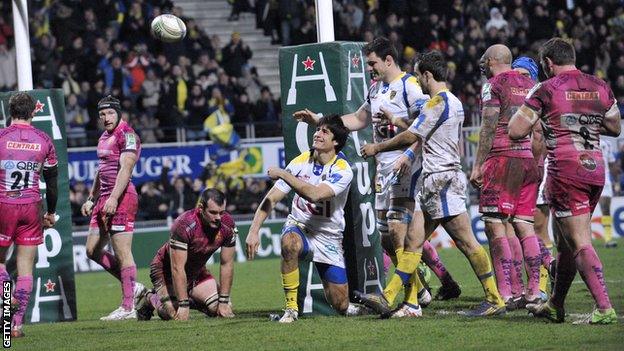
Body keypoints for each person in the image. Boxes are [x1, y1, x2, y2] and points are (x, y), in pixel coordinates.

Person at [294, 37, 460, 317]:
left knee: (398, 233)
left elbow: (424, 127)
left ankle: (411, 303)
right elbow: (358, 120)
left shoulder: (410, 86)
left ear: (388, 60)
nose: (369, 68)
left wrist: (409, 155)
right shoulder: (375, 89)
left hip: (408, 168)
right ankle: (419, 289)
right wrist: (321, 121)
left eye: (372, 63)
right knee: (386, 239)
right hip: (383, 169)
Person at [357, 51, 505, 318]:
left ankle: (494, 298)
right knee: (413, 243)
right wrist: (396, 120)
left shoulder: (438, 102)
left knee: (467, 243)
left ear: (427, 75)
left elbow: (412, 135)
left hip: (443, 180)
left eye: (418, 75)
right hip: (435, 182)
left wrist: (377, 146)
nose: (417, 80)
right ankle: (396, 299)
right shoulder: (449, 102)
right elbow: (421, 126)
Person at [509, 37, 620, 324]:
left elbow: (515, 130)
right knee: (565, 243)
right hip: (595, 169)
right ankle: (556, 304)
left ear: (547, 63)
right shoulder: (599, 85)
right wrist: (583, 120)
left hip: (566, 170)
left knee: (579, 241)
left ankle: (605, 309)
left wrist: (544, 119)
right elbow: (615, 126)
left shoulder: (545, 89)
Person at [245, 115, 357, 323]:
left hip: (329, 237)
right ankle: (291, 310)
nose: (317, 134)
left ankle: (350, 306)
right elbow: (272, 198)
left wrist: (282, 173)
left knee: (340, 304)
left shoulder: (343, 170)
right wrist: (253, 230)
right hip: (300, 226)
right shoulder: (300, 161)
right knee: (289, 243)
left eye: (325, 132)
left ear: (336, 142)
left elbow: (315, 194)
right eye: (318, 129)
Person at [469, 45, 543, 308]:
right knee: (524, 224)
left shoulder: (493, 84)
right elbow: (539, 132)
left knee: (494, 223)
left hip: (501, 158)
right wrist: (536, 162)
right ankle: (533, 291)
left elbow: (488, 126)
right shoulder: (532, 85)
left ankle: (505, 292)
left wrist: (478, 165)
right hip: (527, 161)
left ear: (491, 61)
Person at [0, 92, 58, 337]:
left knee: (1, 263)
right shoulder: (44, 140)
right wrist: (51, 212)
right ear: (34, 111)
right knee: (26, 269)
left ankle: (7, 296)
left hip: (4, 203)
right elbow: (52, 182)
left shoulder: (1, 138)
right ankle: (15, 326)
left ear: (9, 111)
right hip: (33, 206)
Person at [81, 95, 143, 320]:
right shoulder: (103, 137)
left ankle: (128, 307)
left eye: (109, 113)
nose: (106, 118)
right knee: (92, 250)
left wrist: (114, 198)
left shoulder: (127, 136)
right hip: (103, 199)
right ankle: (134, 287)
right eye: (102, 115)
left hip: (122, 198)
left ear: (119, 113)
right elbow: (101, 169)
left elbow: (125, 169)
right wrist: (91, 197)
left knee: (122, 252)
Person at [135, 189, 237, 320]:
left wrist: (223, 301)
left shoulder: (227, 224)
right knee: (172, 314)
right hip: (166, 271)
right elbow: (177, 268)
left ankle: (188, 298)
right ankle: (149, 297)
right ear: (201, 208)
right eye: (213, 212)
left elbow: (227, 264)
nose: (218, 217)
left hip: (196, 272)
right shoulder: (184, 224)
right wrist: (183, 305)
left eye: (221, 212)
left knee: (219, 309)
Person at [512, 56, 556, 301]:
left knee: (536, 227)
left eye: (525, 75)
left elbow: (540, 141)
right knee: (521, 228)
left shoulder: (539, 100)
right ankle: (546, 270)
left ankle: (540, 285)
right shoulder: (520, 103)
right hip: (524, 170)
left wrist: (536, 173)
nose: (520, 79)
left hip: (539, 170)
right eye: (516, 74)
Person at [599, 135, 618, 248]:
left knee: (605, 208)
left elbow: (612, 163)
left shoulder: (607, 143)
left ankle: (608, 238)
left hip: (604, 178)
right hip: (587, 177)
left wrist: (616, 182)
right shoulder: (583, 139)